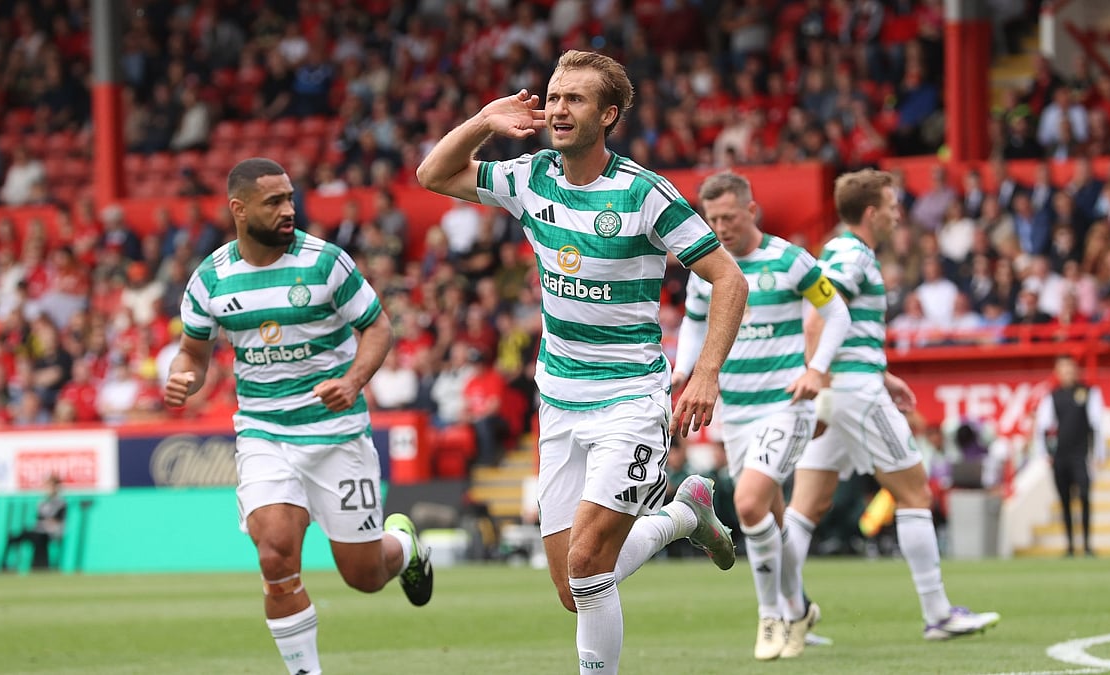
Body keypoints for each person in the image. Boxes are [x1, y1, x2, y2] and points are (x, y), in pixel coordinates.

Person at [416, 49, 748, 675]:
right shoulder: (528, 176)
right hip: (558, 401)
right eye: (554, 96)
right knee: (575, 589)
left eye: (575, 99)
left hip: (629, 399)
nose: (558, 109)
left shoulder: (646, 194)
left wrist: (704, 373)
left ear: (609, 114)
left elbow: (728, 279)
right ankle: (683, 515)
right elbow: (432, 174)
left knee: (590, 561)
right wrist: (488, 119)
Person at [163, 158, 433, 675]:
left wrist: (352, 382)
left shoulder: (327, 262)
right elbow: (193, 354)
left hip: (336, 435)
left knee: (364, 575)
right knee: (275, 556)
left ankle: (403, 544)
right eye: (274, 202)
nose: (289, 209)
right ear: (238, 210)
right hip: (265, 434)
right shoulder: (210, 279)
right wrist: (183, 377)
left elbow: (378, 330)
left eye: (290, 198)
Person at [781, 169, 1000, 653]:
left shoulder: (843, 251)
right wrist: (819, 374)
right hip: (853, 394)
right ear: (873, 212)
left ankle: (787, 615)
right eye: (894, 205)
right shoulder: (851, 253)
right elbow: (820, 312)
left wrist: (877, 373)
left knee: (806, 506)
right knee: (916, 493)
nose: (900, 213)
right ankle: (938, 614)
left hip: (851, 385)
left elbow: (841, 326)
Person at [672, 171, 851, 661]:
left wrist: (816, 370)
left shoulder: (789, 260)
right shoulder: (706, 268)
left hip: (786, 405)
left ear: (752, 212)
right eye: (712, 218)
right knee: (770, 518)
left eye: (728, 217)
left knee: (749, 505)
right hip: (738, 412)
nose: (720, 226)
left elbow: (837, 315)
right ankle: (798, 608)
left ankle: (771, 615)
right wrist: (683, 370)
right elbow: (692, 323)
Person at [1032, 355, 1106, 557]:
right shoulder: (1052, 396)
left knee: (1084, 496)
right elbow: (1043, 427)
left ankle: (1087, 544)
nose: (1068, 373)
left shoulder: (1089, 393)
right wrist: (1044, 453)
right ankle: (1071, 546)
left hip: (1081, 454)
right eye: (1063, 369)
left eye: (1070, 369)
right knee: (1064, 499)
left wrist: (1099, 453)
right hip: (1061, 455)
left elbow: (1097, 425)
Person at [4, 474, 66, 570]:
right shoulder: (42, 502)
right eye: (46, 486)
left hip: (51, 533)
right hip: (39, 530)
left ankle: (41, 566)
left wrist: (48, 523)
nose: (47, 488)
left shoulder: (60, 503)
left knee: (40, 539)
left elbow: (58, 522)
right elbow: (39, 519)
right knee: (15, 536)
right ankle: (6, 566)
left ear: (56, 487)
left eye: (49, 486)